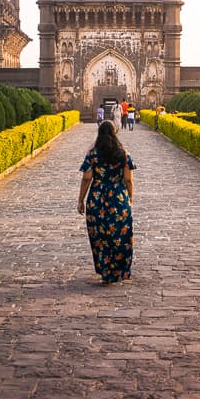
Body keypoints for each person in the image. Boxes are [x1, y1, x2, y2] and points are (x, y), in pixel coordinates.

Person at [77, 120, 136, 283]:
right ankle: (118, 270)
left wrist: (80, 200)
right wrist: (130, 198)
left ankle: (105, 270)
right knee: (119, 234)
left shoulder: (93, 154)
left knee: (100, 236)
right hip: (118, 199)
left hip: (97, 199)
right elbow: (128, 180)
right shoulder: (123, 154)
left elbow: (86, 178)